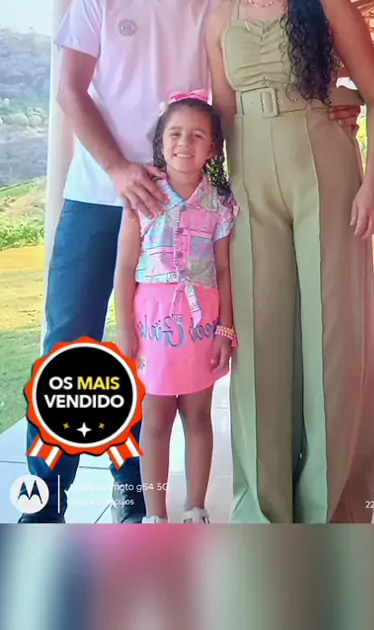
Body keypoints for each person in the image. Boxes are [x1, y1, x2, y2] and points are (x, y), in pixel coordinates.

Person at [20, 0, 361, 524]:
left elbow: (271, 80)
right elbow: (69, 90)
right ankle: (44, 502)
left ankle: (132, 499)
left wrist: (338, 106)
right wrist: (119, 168)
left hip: (187, 214)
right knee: (73, 347)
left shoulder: (221, 10)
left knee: (156, 358)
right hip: (99, 198)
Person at [205, 0, 374, 524]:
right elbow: (222, 112)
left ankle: (331, 513)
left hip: (327, 175)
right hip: (249, 180)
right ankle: (262, 518)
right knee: (258, 340)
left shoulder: (326, 2)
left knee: (332, 335)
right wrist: (205, 196)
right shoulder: (219, 19)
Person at [115, 93, 237, 524]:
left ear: (213, 148)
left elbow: (225, 269)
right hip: (152, 326)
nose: (185, 143)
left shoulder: (221, 204)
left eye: (197, 136)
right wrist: (125, 329)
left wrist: (226, 329)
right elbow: (124, 267)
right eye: (175, 134)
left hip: (202, 325)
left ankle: (195, 508)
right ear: (161, 142)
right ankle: (155, 515)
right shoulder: (142, 197)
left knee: (198, 416)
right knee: (155, 421)